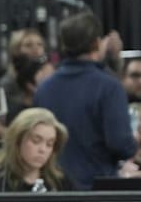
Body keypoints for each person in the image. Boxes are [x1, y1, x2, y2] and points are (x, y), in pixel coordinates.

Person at [34, 12, 137, 189]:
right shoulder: (109, 87)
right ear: (97, 43)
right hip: (96, 192)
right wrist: (135, 141)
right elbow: (121, 145)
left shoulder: (44, 87)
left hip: (52, 189)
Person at [0, 107, 72, 192]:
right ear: (18, 140)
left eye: (49, 144)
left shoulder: (60, 183)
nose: (42, 150)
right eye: (36, 141)